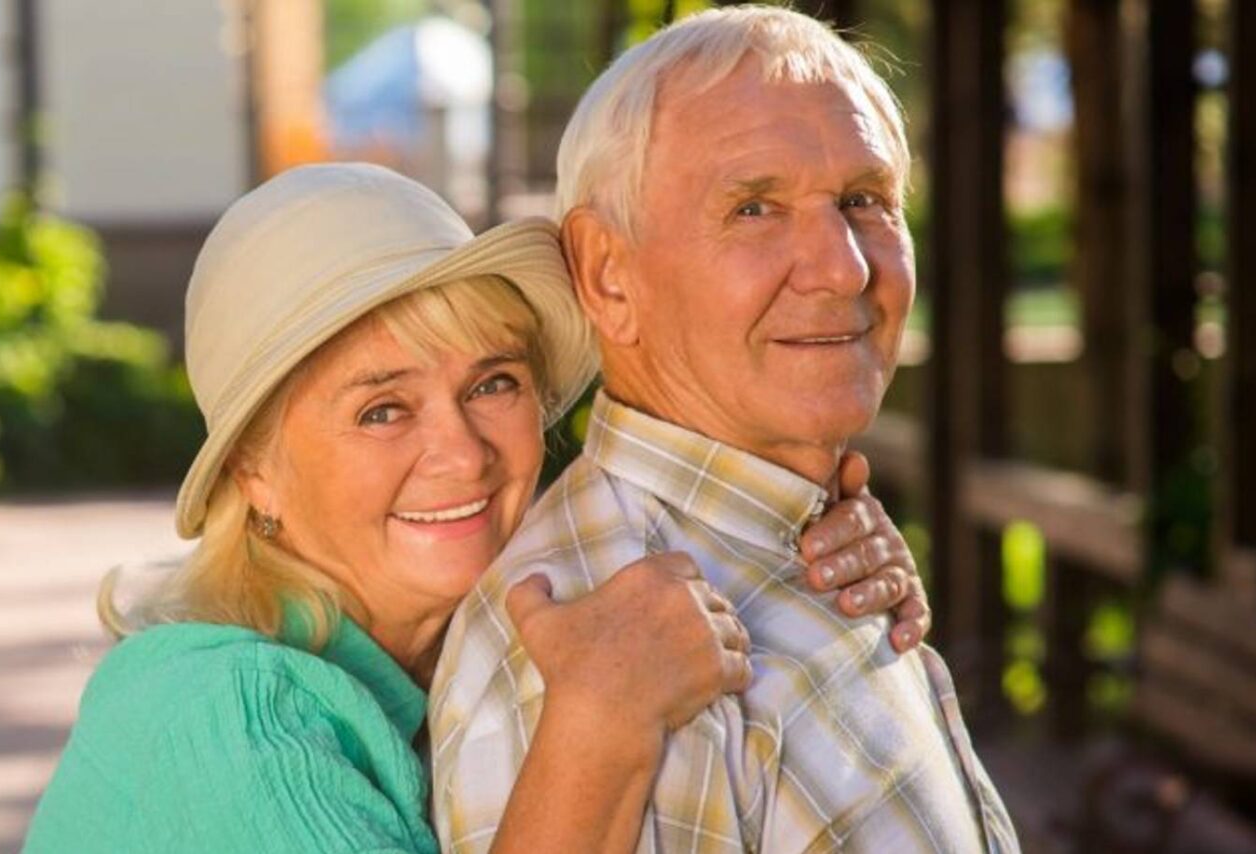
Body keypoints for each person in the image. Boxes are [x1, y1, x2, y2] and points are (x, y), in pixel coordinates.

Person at [25, 162, 930, 853]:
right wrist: (598, 725)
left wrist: (811, 552)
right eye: (382, 409)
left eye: (493, 383)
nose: (462, 453)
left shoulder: (463, 648)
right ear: (255, 473)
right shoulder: (225, 710)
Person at [428, 8, 1019, 853]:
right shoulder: (593, 648)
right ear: (608, 275)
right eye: (754, 208)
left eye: (864, 200)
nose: (843, 267)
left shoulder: (813, 544)